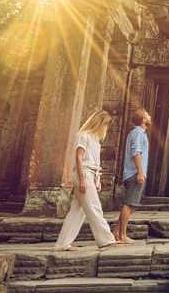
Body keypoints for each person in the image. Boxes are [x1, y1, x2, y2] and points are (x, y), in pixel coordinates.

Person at [54, 109, 117, 251]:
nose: (106, 128)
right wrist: (82, 179)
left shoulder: (96, 139)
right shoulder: (83, 136)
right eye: (105, 124)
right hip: (83, 174)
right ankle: (106, 239)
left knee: (77, 212)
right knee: (94, 208)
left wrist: (98, 180)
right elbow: (79, 158)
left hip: (91, 175)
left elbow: (95, 162)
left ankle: (62, 244)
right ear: (98, 123)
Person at [116, 108, 151, 244]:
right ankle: (122, 236)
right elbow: (136, 153)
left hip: (133, 172)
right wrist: (140, 172)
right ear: (143, 119)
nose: (149, 117)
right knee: (129, 204)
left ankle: (117, 232)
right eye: (147, 115)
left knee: (133, 204)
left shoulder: (136, 133)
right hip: (134, 173)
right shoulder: (138, 133)